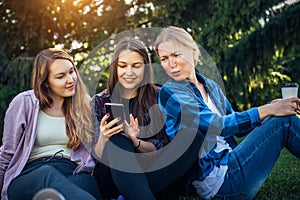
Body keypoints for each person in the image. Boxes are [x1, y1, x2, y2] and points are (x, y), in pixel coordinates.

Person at [155, 26, 300, 199]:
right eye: (164, 58)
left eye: (176, 55)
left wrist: (272, 108)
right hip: (220, 183)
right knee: (285, 122)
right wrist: (268, 109)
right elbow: (216, 126)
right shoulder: (171, 92)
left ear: (192, 50)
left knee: (281, 118)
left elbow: (239, 128)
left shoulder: (210, 86)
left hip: (233, 164)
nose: (171, 64)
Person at [0, 48, 101, 200]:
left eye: (71, 71)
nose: (70, 79)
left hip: (72, 171)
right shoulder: (23, 103)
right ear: (45, 82)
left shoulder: (84, 102)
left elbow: (93, 151)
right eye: (61, 76)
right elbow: (7, 154)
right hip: (30, 175)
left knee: (87, 182)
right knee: (46, 174)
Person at [92, 37, 168, 199]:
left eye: (136, 66)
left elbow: (162, 145)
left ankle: (132, 193)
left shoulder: (158, 96)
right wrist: (104, 139)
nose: (129, 72)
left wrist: (136, 141)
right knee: (118, 140)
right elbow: (94, 157)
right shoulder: (100, 101)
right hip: (111, 175)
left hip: (149, 169)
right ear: (115, 68)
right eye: (122, 66)